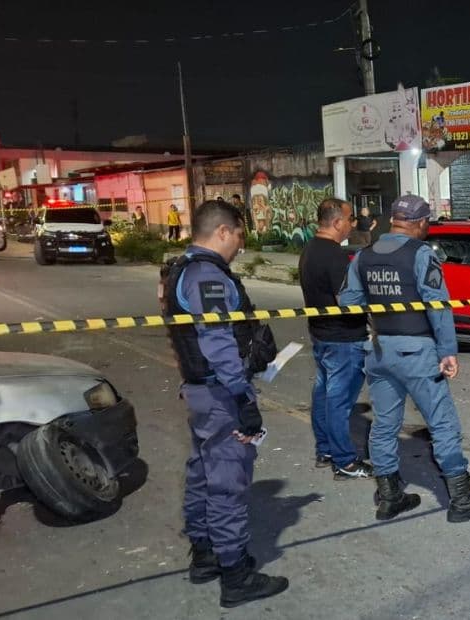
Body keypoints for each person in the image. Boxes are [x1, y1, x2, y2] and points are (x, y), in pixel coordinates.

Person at [338, 195, 470, 522]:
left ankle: (390, 496)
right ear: (421, 222)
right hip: (416, 352)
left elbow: (347, 301)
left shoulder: (364, 256)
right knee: (443, 424)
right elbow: (438, 306)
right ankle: (461, 499)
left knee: (384, 425)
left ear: (393, 220)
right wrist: (448, 351)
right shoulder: (421, 254)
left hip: (380, 351)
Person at [162, 200, 287, 608]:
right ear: (221, 232)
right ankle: (235, 576)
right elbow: (217, 342)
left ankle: (205, 556)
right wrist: (241, 396)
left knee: (202, 472)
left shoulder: (181, 269)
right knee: (228, 483)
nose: (239, 245)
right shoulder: (207, 276)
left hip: (202, 390)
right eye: (238, 235)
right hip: (220, 394)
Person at [298, 198, 373, 480]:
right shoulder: (334, 255)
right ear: (337, 222)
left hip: (321, 334)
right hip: (343, 339)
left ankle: (326, 450)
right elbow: (347, 300)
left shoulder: (309, 250)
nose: (352, 224)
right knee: (339, 402)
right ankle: (345, 462)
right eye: (350, 219)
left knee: (324, 395)